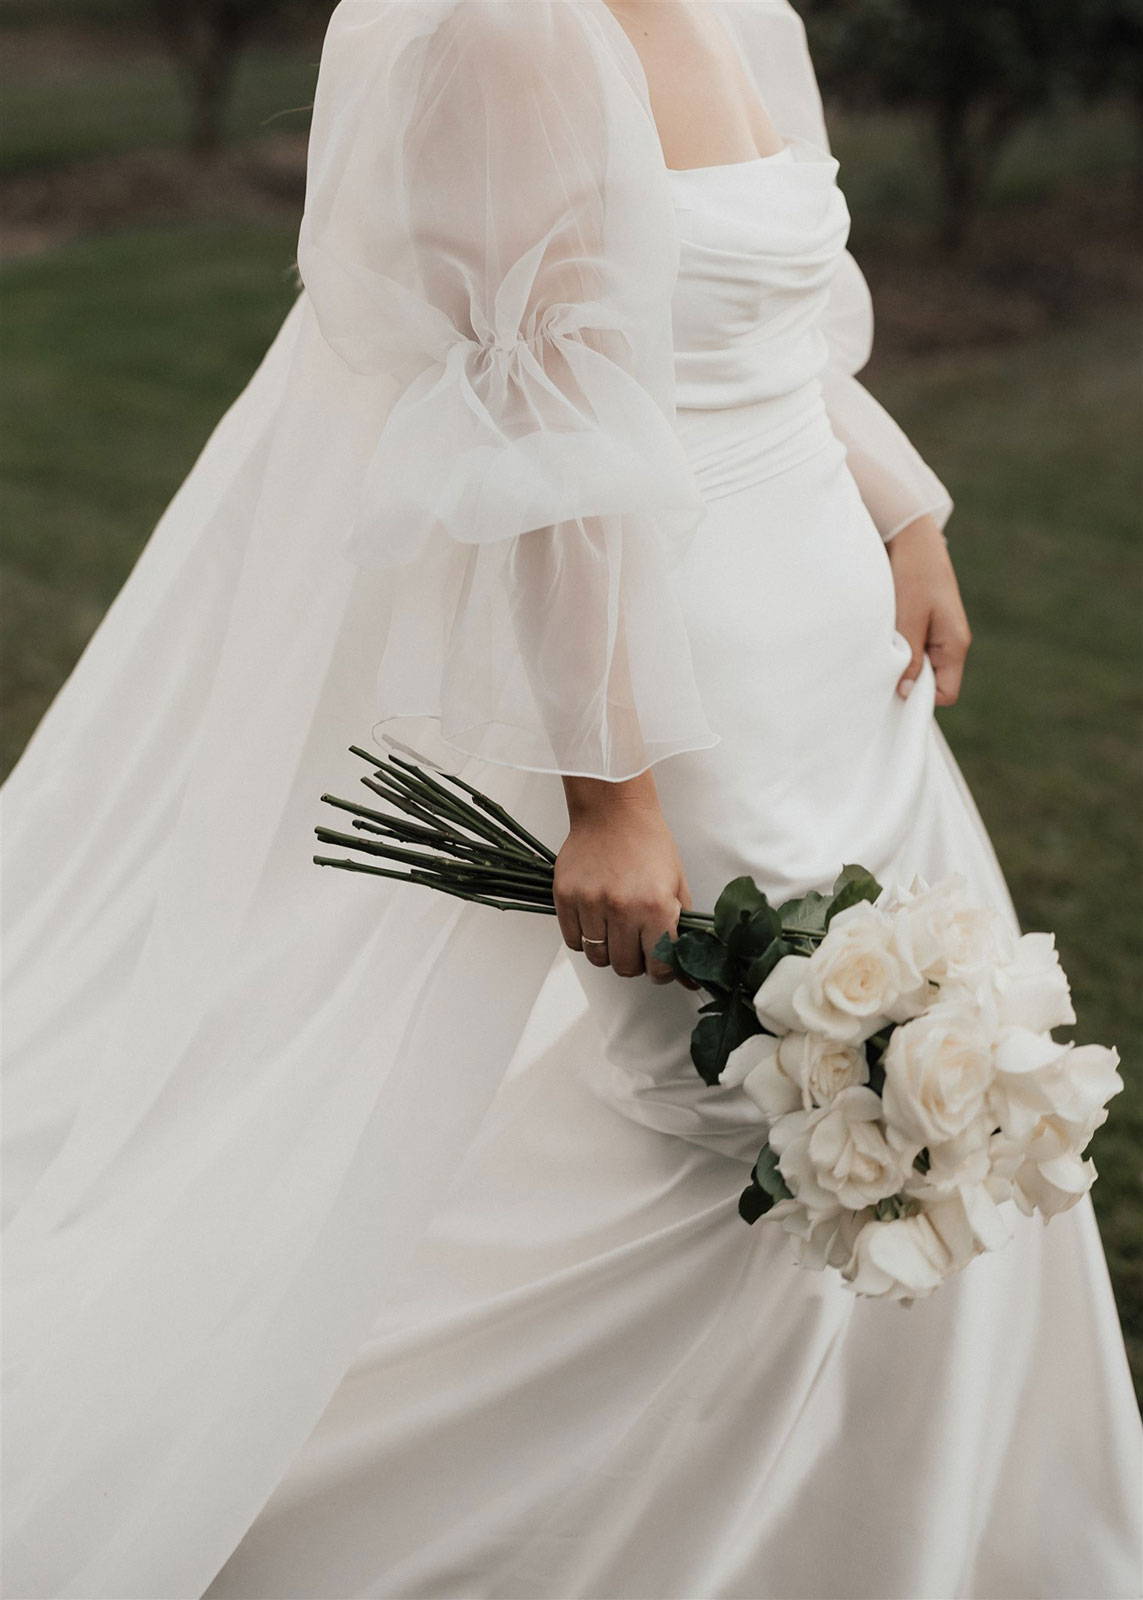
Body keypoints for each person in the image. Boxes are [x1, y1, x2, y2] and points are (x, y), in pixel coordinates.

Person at [3, 2, 1139, 1596]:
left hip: (841, 670)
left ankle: (937, 1530)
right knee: (744, 1144)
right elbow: (550, 430)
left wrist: (907, 514)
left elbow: (782, 324)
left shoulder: (744, 7)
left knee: (927, 1098)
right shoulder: (501, 36)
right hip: (682, 692)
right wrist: (614, 796)